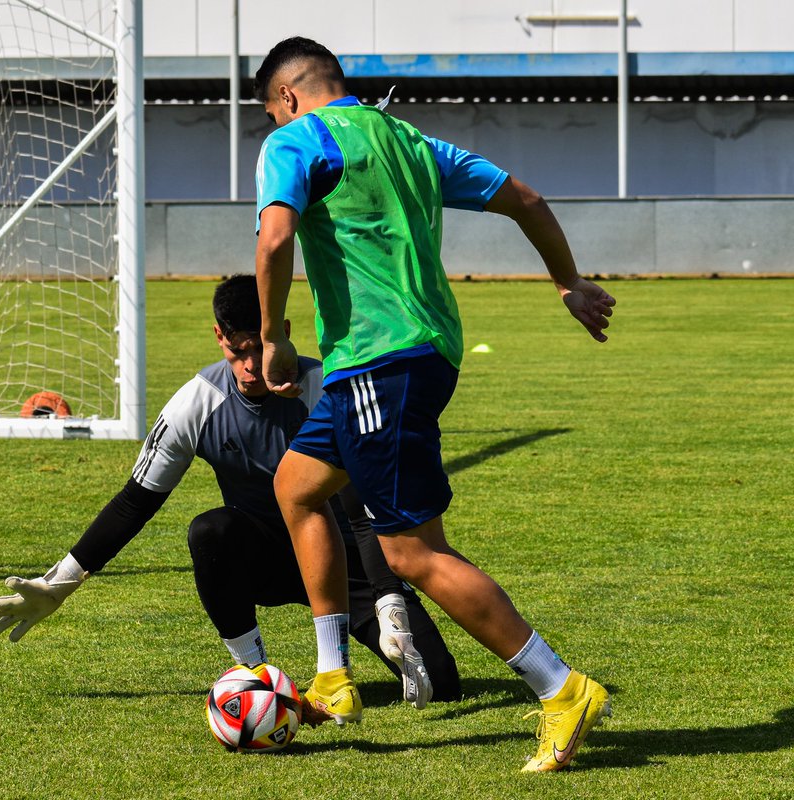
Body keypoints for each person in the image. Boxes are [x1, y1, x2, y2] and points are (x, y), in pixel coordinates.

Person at [251, 37, 616, 771]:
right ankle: (333, 677)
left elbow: (276, 236)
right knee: (296, 486)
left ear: (287, 98)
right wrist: (568, 282)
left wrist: (271, 338)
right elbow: (527, 199)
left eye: (268, 114)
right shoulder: (411, 140)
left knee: (412, 553)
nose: (271, 126)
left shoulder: (298, 139)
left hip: (377, 369)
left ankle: (561, 687)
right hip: (418, 357)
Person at [0, 274, 460, 712]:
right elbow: (135, 502)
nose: (250, 365)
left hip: (345, 561)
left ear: (283, 330)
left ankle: (344, 660)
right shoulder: (196, 402)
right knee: (211, 531)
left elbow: (362, 512)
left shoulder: (327, 391)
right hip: (264, 556)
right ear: (218, 338)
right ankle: (255, 677)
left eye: (259, 346)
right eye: (237, 350)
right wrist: (59, 584)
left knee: (440, 684)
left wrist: (388, 597)